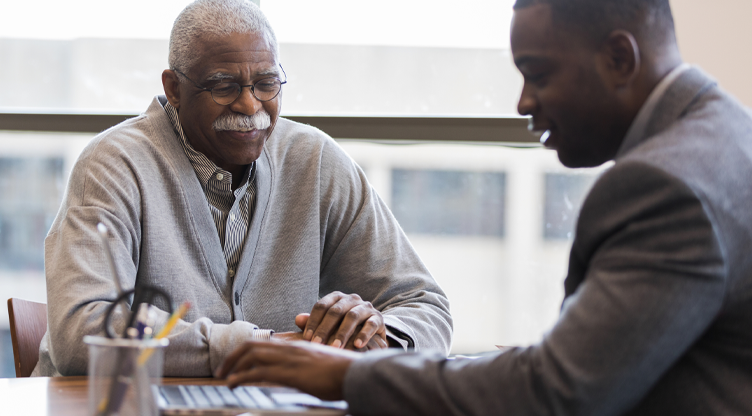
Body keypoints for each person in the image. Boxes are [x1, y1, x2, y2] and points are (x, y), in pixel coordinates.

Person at [216, 0, 752, 414]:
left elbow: (558, 394)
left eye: (538, 74)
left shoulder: (662, 186)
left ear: (619, 58)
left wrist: (339, 375)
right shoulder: (728, 137)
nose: (522, 101)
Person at [33, 0, 452, 377]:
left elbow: (424, 304)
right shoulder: (114, 165)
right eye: (223, 86)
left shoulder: (316, 161)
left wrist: (372, 337)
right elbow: (82, 332)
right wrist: (258, 347)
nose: (250, 106)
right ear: (174, 88)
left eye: (266, 84)